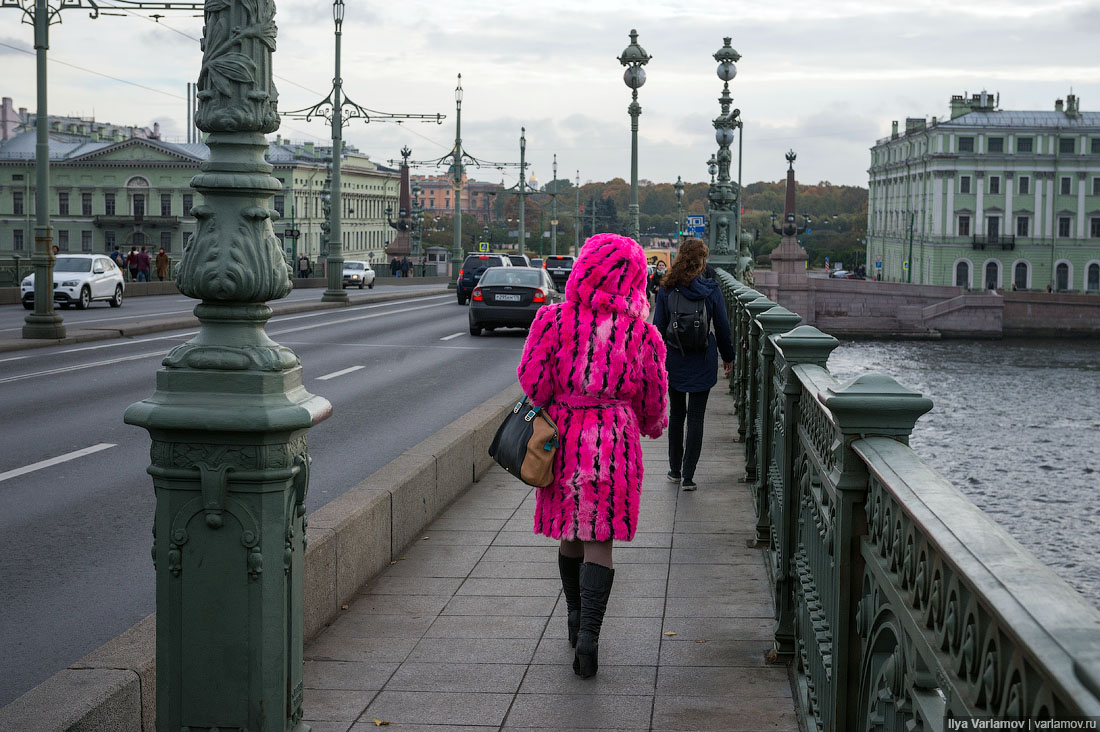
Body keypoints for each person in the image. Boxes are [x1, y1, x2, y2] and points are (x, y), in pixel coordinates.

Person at [517, 232, 668, 679]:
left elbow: (532, 383)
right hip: (615, 442)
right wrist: (649, 424)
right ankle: (589, 638)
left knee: (570, 532)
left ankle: (573, 616)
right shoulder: (643, 334)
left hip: (563, 437)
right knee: (601, 537)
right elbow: (655, 404)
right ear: (635, 278)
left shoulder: (552, 319)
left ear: (585, 267)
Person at [653, 237, 734, 491]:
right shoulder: (711, 289)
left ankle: (674, 470)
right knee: (696, 417)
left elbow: (657, 328)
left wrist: (656, 360)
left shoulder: (666, 289)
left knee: (677, 414)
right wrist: (728, 356)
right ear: (702, 261)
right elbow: (722, 327)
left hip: (674, 358)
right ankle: (689, 476)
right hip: (702, 358)